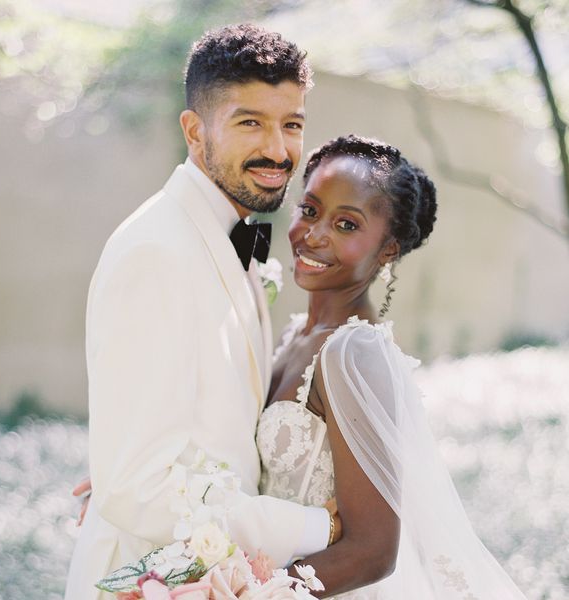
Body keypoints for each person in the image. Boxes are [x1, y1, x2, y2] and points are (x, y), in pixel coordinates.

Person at [64, 25, 340, 600]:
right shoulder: (155, 253)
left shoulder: (226, 238)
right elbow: (137, 487)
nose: (278, 148)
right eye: (250, 123)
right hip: (153, 579)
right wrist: (317, 526)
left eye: (291, 124)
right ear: (195, 132)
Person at [257, 134, 528, 598]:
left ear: (388, 249)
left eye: (346, 224)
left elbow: (373, 551)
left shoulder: (351, 355)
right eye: (309, 210)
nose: (314, 234)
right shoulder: (294, 334)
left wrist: (244, 590)